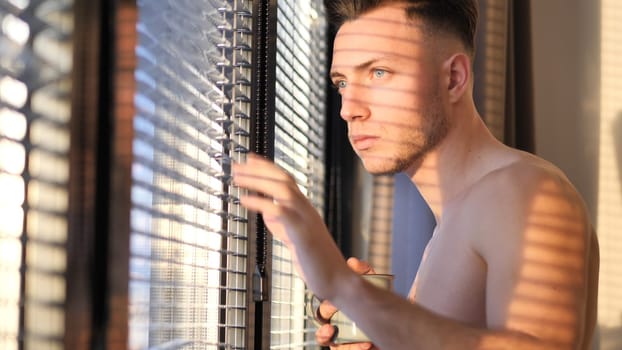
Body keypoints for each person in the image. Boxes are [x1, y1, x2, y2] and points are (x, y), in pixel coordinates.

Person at [232, 0, 599, 349]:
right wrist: (382, 331)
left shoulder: (525, 191)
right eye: (342, 82)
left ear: (454, 78)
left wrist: (348, 288)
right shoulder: (454, 220)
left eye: (378, 72)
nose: (349, 109)